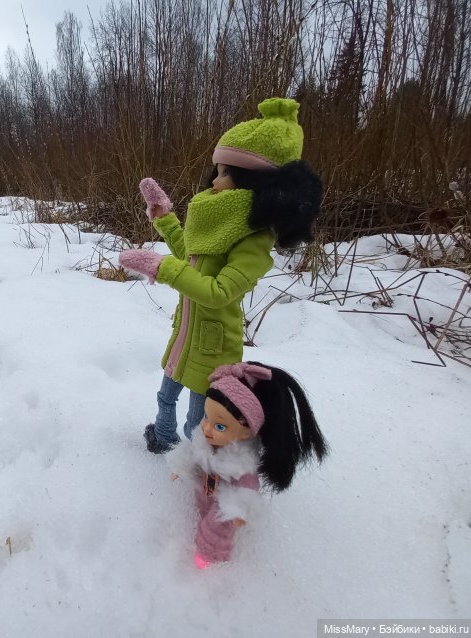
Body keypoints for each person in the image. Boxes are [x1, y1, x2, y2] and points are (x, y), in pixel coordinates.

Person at [119, 97, 322, 454]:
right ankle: (164, 439)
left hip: (213, 351)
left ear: (255, 182)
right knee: (165, 398)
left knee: (199, 422)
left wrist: (163, 268)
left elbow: (217, 291)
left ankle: (200, 470)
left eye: (226, 172)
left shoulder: (255, 239)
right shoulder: (218, 218)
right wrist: (165, 218)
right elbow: (191, 257)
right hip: (185, 338)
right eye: (218, 170)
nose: (215, 180)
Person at [166, 362, 329, 569]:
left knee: (217, 525)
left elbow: (246, 487)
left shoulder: (241, 464)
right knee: (201, 509)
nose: (206, 428)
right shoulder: (204, 440)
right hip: (204, 492)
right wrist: (181, 466)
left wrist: (240, 509)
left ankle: (207, 554)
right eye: (206, 417)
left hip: (223, 500)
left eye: (220, 426)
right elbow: (192, 453)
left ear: (247, 431)